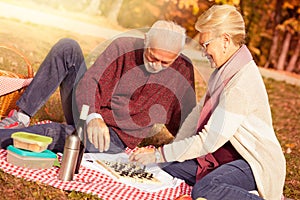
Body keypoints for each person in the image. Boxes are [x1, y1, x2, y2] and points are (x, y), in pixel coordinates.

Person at [129, 5, 286, 200]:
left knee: (206, 189)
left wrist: (160, 154)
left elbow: (207, 141)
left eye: (206, 45)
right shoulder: (224, 70)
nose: (204, 52)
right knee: (165, 165)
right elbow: (197, 114)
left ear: (225, 40)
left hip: (252, 162)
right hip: (223, 157)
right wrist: (165, 154)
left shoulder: (240, 84)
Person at [0, 20, 196, 154]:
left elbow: (187, 119)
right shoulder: (123, 46)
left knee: (53, 132)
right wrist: (93, 115)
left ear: (177, 55)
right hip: (88, 111)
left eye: (166, 63)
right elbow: (90, 81)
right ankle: (22, 117)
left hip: (115, 137)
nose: (157, 65)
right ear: (145, 42)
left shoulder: (183, 69)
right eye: (152, 57)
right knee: (67, 47)